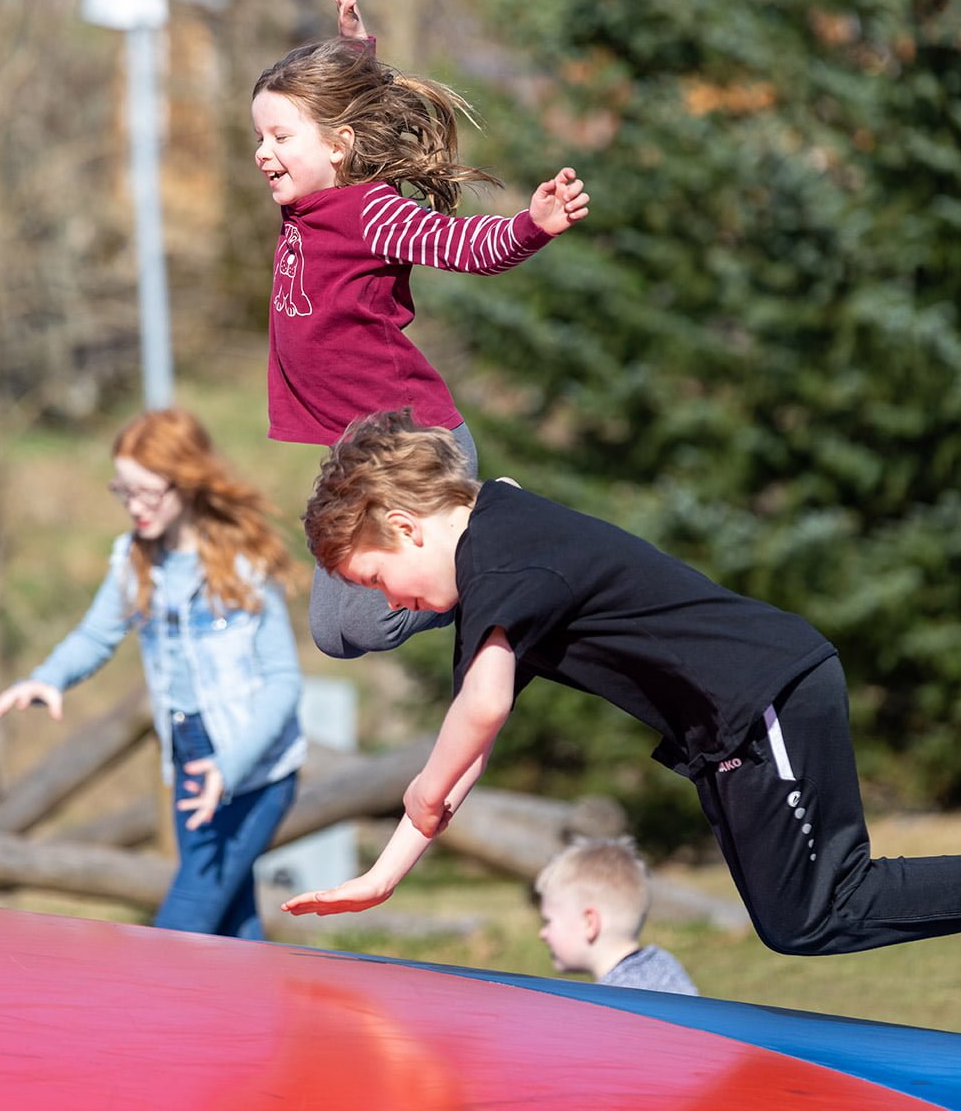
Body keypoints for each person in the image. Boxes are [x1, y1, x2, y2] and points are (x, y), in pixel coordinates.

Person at [281, 409, 961, 958]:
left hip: (765, 696)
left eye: (376, 580)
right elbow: (474, 745)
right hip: (732, 723)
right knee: (796, 924)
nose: (391, 604)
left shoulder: (502, 562)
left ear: (405, 528)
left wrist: (422, 788)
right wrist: (385, 872)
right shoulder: (498, 562)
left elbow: (481, 710)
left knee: (828, 906)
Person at [252, 0, 589, 660]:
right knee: (333, 635)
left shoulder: (370, 212)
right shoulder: (305, 202)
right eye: (260, 136)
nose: (263, 152)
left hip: (415, 446)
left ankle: (494, 523)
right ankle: (482, 540)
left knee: (371, 623)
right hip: (353, 450)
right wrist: (354, 49)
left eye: (280, 137)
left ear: (337, 148)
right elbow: (348, 113)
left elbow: (466, 246)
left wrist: (533, 226)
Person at [0, 408, 304, 941]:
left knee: (186, 920)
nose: (134, 507)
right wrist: (50, 676)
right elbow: (95, 635)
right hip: (187, 757)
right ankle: (249, 1020)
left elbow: (283, 682)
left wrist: (230, 766)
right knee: (230, 917)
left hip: (254, 769)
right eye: (123, 492)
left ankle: (139, 1020)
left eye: (147, 493)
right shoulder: (133, 561)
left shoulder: (242, 563)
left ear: (185, 481)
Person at [535, 837, 698, 995]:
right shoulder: (665, 965)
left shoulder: (610, 1002)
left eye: (548, 921)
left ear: (589, 923)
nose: (542, 934)